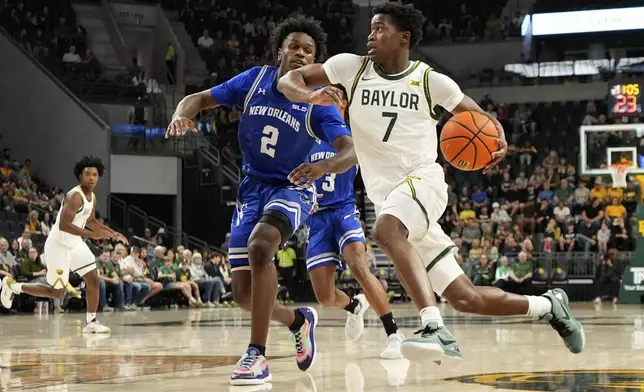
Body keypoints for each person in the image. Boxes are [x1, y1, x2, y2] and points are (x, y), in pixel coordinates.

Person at [277, 1, 585, 360]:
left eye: (380, 29)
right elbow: (288, 80)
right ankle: (548, 306)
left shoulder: (429, 80)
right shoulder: (350, 68)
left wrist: (497, 139)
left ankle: (434, 328)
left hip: (422, 181)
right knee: (464, 296)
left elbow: (482, 119)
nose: (371, 35)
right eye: (371, 29)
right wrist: (309, 94)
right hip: (393, 199)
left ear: (403, 37)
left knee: (386, 231)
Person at [165, 16, 355, 385]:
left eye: (309, 51)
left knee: (261, 246)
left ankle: (256, 356)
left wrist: (324, 167)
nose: (300, 53)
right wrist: (180, 115)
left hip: (294, 185)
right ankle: (298, 320)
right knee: (242, 296)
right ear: (279, 51)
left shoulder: (318, 101)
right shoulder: (253, 81)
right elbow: (198, 99)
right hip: (251, 188)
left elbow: (350, 151)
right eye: (294, 46)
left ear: (315, 61)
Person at [293, 136, 404, 358]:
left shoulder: (348, 138)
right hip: (316, 220)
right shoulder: (302, 140)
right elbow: (291, 180)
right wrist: (301, 198)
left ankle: (394, 334)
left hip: (343, 211)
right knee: (325, 297)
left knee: (359, 267)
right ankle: (354, 307)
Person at [1, 156, 128, 333]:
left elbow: (90, 220)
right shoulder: (74, 196)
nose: (91, 178)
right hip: (58, 245)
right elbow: (64, 225)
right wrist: (92, 235)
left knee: (93, 279)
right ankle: (12, 286)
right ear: (80, 176)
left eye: (95, 174)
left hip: (75, 244)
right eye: (87, 174)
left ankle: (91, 322)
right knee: (57, 293)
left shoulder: (91, 197)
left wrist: (111, 233)